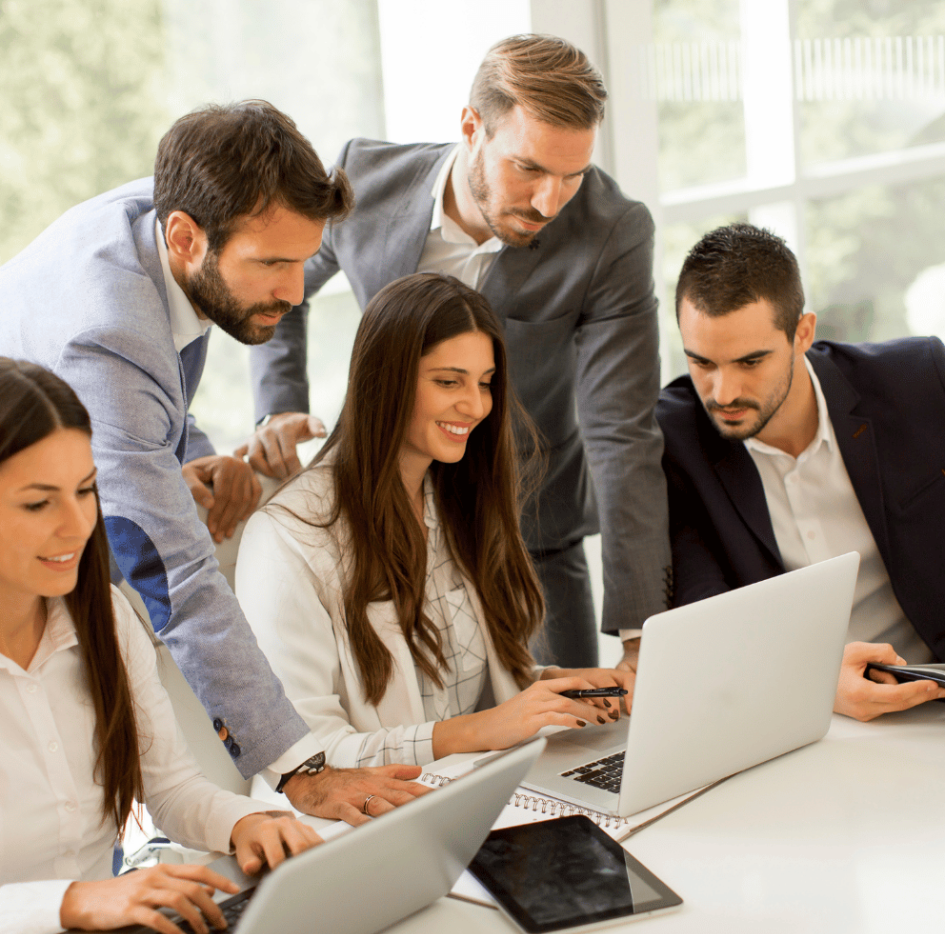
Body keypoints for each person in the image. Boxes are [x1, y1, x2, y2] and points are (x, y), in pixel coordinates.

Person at [0, 100, 428, 819]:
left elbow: (152, 387)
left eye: (302, 260)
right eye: (272, 265)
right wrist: (301, 772)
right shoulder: (107, 333)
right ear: (184, 238)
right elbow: (176, 575)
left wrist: (190, 457)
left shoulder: (173, 213)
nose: (295, 292)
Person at [242, 35, 671, 675]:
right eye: (529, 169)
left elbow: (621, 430)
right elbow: (284, 282)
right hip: (381, 525)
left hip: (529, 540)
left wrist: (642, 631)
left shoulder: (612, 231)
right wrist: (278, 406)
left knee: (578, 746)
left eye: (572, 175)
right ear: (472, 127)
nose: (550, 202)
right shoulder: (366, 181)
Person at [235, 273, 634, 767]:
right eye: (448, 381)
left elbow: (455, 695)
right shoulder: (287, 536)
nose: (476, 406)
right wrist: (481, 728)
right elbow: (303, 758)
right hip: (371, 825)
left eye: (485, 384)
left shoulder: (456, 497)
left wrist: (544, 689)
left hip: (477, 789)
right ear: (385, 380)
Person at [0, 359, 328, 934]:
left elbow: (171, 789)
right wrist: (76, 900)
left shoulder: (102, 616)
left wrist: (247, 823)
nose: (78, 526)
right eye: (37, 504)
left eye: (85, 490)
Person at [657, 223, 945, 722]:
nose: (723, 392)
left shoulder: (921, 379)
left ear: (803, 333)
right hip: (799, 721)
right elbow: (703, 624)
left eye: (750, 361)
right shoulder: (675, 439)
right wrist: (814, 685)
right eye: (702, 361)